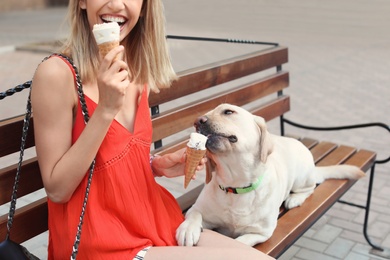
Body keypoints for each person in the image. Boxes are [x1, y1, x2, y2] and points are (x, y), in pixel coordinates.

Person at [31, 0, 274, 259]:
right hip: (102, 239)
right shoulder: (56, 74)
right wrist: (105, 111)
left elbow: (112, 157)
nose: (115, 3)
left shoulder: (134, 70)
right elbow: (57, 189)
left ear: (145, 6)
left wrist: (157, 165)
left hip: (151, 217)